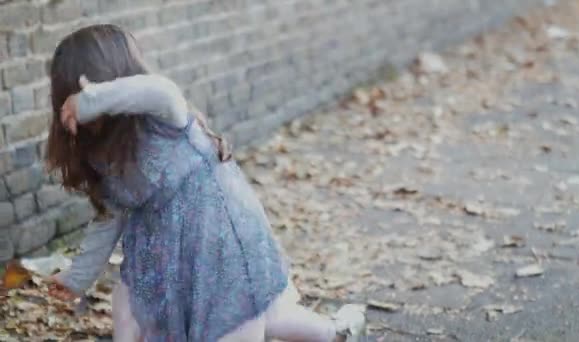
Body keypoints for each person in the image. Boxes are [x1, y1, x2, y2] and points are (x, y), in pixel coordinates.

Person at [45, 24, 365, 342]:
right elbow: (108, 218)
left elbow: (160, 89)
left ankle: (336, 334)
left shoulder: (163, 116)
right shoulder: (101, 153)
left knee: (248, 316)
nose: (74, 111)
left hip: (219, 242)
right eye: (68, 100)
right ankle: (335, 333)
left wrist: (93, 99)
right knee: (130, 308)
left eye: (79, 97)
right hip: (163, 254)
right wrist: (78, 277)